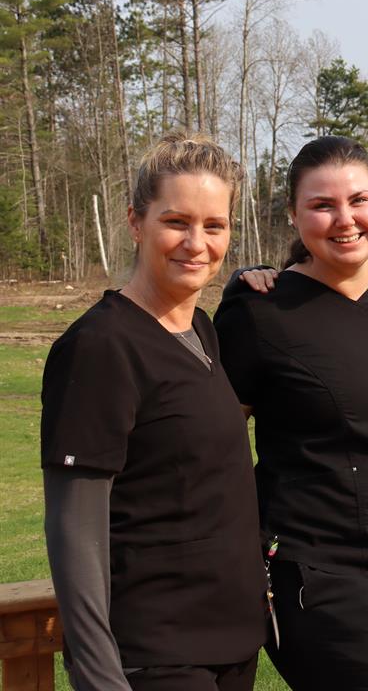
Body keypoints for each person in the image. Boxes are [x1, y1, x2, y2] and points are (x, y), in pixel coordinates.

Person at [213, 136, 368, 691]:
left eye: (359, 200)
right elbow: (214, 444)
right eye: (322, 205)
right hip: (315, 572)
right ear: (294, 215)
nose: (344, 219)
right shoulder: (260, 310)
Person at [41, 133, 267, 691]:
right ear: (135, 222)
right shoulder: (101, 346)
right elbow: (75, 529)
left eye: (214, 226)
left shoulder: (201, 331)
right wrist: (99, 676)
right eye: (176, 221)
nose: (196, 243)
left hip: (229, 646)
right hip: (153, 655)